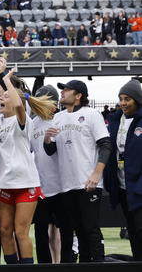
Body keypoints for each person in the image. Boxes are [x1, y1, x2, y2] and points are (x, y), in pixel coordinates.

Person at [0, 69, 55, 264]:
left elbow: (19, 103)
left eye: (5, 96)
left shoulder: (23, 120)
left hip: (25, 183)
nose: (1, 98)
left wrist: (6, 79)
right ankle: (12, 270)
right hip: (4, 184)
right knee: (4, 230)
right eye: (0, 96)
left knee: (21, 232)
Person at [44, 80, 111, 262]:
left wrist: (96, 174)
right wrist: (47, 139)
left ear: (78, 95)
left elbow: (105, 145)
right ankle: (84, 271)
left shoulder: (92, 114)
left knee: (90, 227)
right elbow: (51, 151)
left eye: (66, 89)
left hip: (88, 182)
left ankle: (100, 269)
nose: (62, 92)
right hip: (67, 184)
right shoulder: (58, 117)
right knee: (78, 229)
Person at [104, 79, 142, 261]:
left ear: (137, 100)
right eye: (121, 98)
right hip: (123, 187)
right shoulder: (115, 120)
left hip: (139, 187)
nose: (123, 103)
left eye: (127, 98)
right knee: (133, 230)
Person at [30, 85, 65, 263]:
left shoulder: (61, 120)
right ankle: (44, 267)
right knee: (40, 230)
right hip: (40, 186)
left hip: (61, 185)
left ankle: (60, 264)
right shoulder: (32, 123)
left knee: (61, 230)